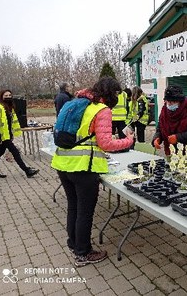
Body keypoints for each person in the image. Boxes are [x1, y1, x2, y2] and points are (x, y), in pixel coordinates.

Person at [51, 77, 134, 267]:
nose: (116, 98)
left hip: (62, 163)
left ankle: (74, 243)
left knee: (73, 206)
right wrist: (128, 140)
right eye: (115, 94)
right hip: (83, 167)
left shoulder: (75, 103)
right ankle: (83, 253)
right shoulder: (101, 109)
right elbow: (106, 144)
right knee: (85, 212)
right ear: (110, 93)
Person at [0, 90, 39, 179]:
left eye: (10, 95)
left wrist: (11, 134)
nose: (8, 97)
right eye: (6, 95)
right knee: (15, 152)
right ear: (1, 97)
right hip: (2, 137)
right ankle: (27, 170)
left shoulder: (10, 108)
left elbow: (10, 123)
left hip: (7, 135)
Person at [152, 85, 187, 159]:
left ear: (180, 101)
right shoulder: (164, 111)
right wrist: (157, 138)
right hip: (173, 153)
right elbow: (160, 128)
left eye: (172, 102)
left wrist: (178, 137)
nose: (169, 104)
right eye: (168, 101)